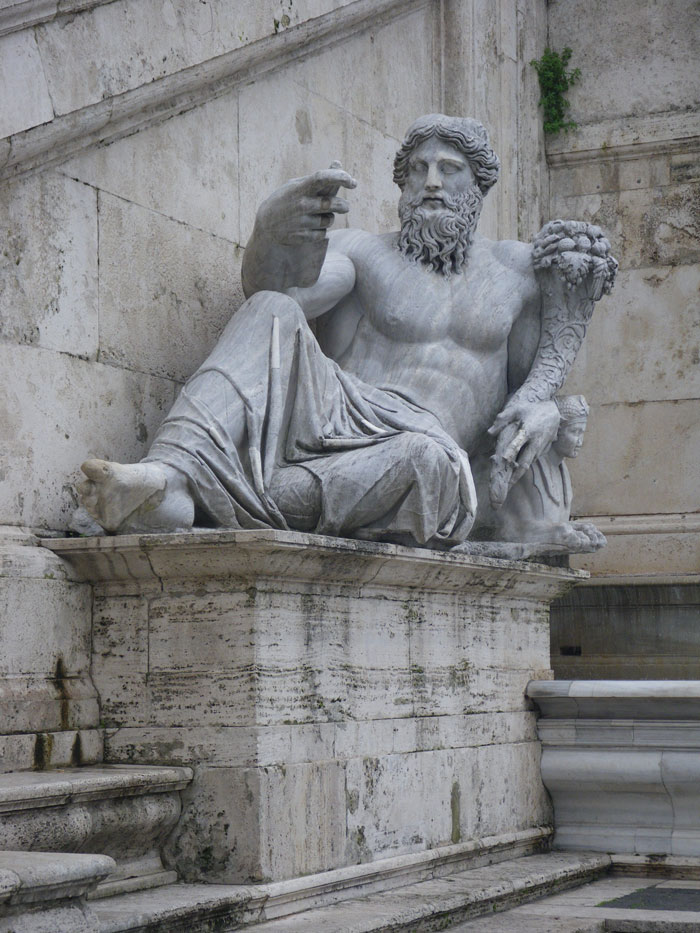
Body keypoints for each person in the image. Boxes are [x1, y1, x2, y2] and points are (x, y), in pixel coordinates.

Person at [79, 114, 616, 554]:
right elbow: (278, 294)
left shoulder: (515, 271)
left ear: (478, 185)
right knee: (272, 309)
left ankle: (206, 495)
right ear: (403, 183)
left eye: (449, 169)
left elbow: (532, 381)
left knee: (424, 460)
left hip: (423, 447)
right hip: (333, 420)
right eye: (419, 169)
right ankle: (168, 474)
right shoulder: (364, 252)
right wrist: (268, 233)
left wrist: (546, 407)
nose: (431, 182)